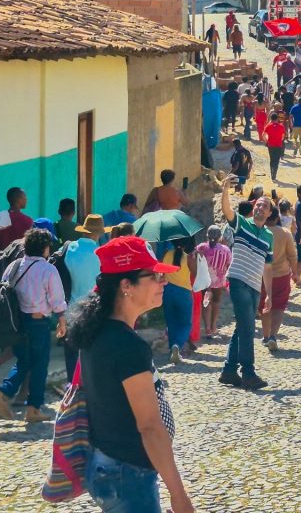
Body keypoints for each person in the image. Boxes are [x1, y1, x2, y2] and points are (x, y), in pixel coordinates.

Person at [66, 236, 195, 513]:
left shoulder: (97, 331)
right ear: (126, 285)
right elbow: (149, 426)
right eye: (154, 276)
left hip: (106, 464)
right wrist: (179, 496)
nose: (163, 282)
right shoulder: (127, 346)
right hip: (127, 474)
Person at [0, 227, 66, 423]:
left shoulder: (14, 266)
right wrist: (62, 320)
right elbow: (57, 299)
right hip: (38, 322)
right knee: (39, 365)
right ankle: (32, 408)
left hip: (17, 323)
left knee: (24, 361)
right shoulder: (48, 269)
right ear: (45, 247)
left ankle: (3, 394)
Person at [219, 178, 273, 391]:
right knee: (249, 327)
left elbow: (267, 267)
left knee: (242, 326)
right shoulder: (242, 223)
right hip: (238, 279)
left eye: (264, 206)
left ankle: (229, 370)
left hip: (254, 286)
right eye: (258, 204)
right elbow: (227, 211)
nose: (260, 208)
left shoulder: (269, 236)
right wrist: (225, 190)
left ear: (269, 213)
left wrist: (269, 294)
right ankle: (248, 373)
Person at [61, 214, 105, 379]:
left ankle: (71, 384)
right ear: (99, 233)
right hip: (93, 309)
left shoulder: (69, 248)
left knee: (71, 351)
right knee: (91, 351)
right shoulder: (100, 254)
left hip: (70, 307)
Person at [260, 209, 301, 352]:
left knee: (264, 305)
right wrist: (295, 273)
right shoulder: (285, 233)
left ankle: (265, 336)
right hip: (282, 274)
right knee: (279, 306)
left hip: (262, 275)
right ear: (277, 218)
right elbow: (292, 255)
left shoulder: (259, 232)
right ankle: (273, 335)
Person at [162, 238, 197, 364]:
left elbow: (162, 272)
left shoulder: (166, 254)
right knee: (185, 323)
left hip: (167, 291)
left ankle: (172, 349)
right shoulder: (188, 258)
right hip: (184, 293)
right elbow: (196, 273)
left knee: (171, 322)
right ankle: (177, 344)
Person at [198, 225, 233, 339]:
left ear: (207, 235)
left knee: (206, 303)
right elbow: (229, 264)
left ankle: (207, 329)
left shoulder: (201, 247)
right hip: (219, 281)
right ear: (220, 237)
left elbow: (194, 258)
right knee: (216, 303)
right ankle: (213, 326)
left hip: (204, 281)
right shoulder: (225, 249)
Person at [0, 186, 33, 254]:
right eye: (25, 197)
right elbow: (29, 246)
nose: (26, 199)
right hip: (20, 259)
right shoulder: (28, 221)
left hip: (1, 259)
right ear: (19, 199)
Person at [263, 111, 287, 182]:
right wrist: (280, 140)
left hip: (270, 145)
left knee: (272, 159)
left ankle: (271, 174)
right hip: (279, 145)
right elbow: (283, 136)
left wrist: (266, 141)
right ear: (277, 119)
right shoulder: (281, 126)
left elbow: (263, 135)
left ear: (271, 118)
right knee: (276, 161)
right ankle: (274, 176)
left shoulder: (268, 126)